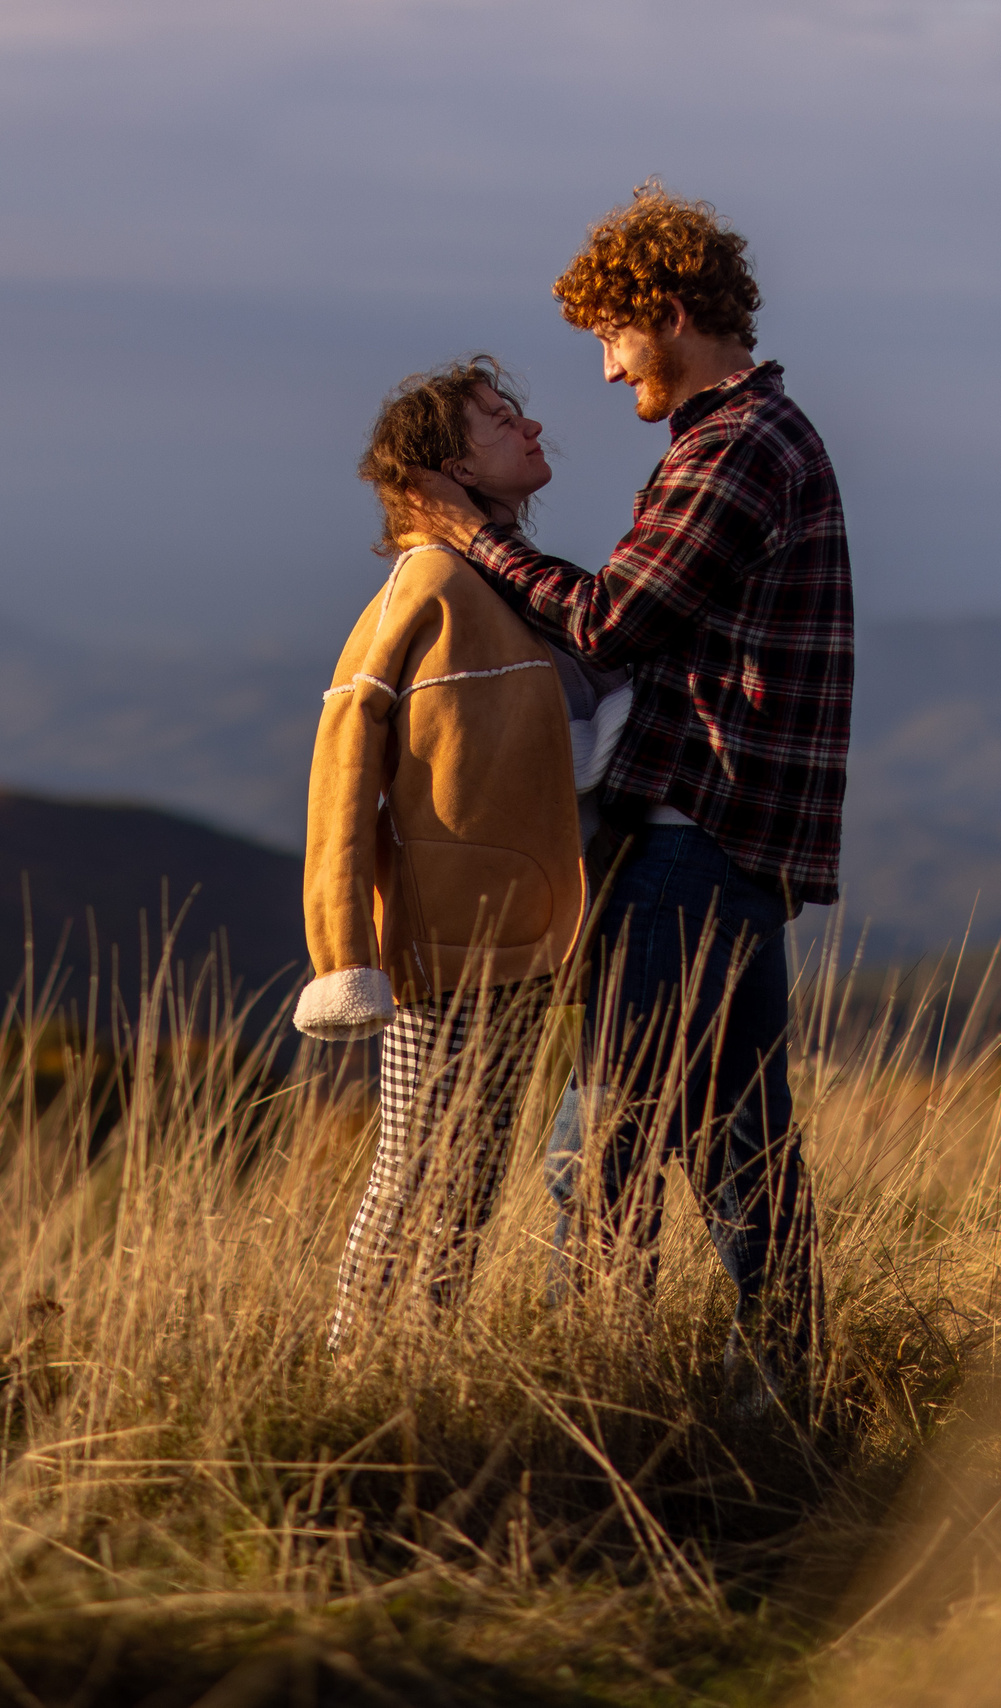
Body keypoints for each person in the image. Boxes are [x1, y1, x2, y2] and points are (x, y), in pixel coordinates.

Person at [398, 182, 850, 1397]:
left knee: (598, 1145)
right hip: (737, 848)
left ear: (659, 311)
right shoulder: (754, 440)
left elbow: (615, 617)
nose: (604, 374)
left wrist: (476, 538)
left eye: (608, 337)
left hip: (691, 842)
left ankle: (592, 1403)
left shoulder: (735, 445)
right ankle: (780, 1400)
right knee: (742, 1147)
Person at [293, 356, 601, 1348]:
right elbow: (343, 762)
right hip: (447, 950)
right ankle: (352, 1374)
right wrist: (345, 961)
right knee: (416, 1171)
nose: (532, 427)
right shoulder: (424, 585)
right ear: (450, 471)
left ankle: (420, 1367)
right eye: (500, 420)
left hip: (525, 946)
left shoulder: (511, 586)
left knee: (465, 1181)